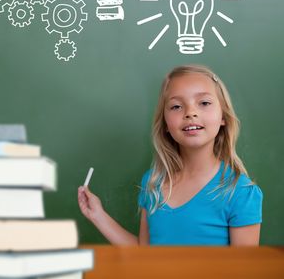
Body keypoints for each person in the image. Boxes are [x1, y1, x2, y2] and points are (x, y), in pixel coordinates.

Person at [77, 64, 263, 246]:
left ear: (223, 116)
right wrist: (98, 215)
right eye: (176, 106)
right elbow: (144, 257)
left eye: (204, 103)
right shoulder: (153, 183)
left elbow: (243, 270)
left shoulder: (240, 192)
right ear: (166, 123)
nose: (191, 113)